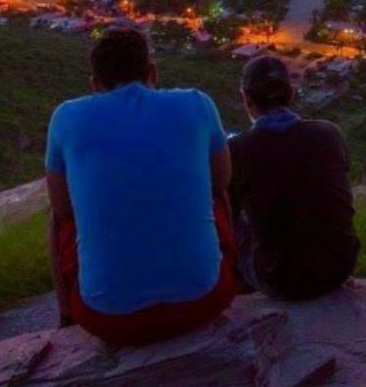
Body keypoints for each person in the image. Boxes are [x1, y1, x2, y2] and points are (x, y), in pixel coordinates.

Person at [45, 27, 239, 346]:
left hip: (107, 319)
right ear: (153, 72)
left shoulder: (66, 118)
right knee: (216, 194)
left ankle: (66, 317)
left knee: (58, 220)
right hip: (205, 301)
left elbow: (63, 208)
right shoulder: (198, 104)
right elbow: (222, 182)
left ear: (95, 84)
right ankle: (236, 279)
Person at [229, 55, 360, 300]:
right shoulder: (329, 134)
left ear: (247, 99)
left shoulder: (238, 150)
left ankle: (240, 296)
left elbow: (229, 214)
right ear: (291, 93)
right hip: (339, 267)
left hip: (279, 280)